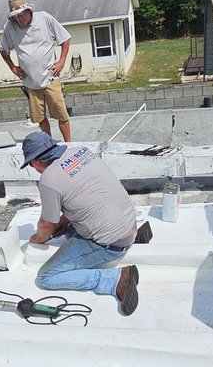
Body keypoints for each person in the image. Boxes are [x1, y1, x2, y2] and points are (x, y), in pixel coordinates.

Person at [20, 131, 140, 315]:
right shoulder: (81, 152)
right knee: (68, 227)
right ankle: (133, 236)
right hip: (130, 222)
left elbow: (46, 226)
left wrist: (36, 240)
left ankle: (115, 279)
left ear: (35, 162)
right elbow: (86, 195)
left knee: (46, 277)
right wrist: (64, 220)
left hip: (111, 244)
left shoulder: (48, 179)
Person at [0, 0, 73, 142]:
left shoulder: (45, 18)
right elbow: (3, 49)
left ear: (29, 11)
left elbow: (65, 39)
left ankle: (69, 144)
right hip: (30, 83)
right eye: (16, 17)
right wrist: (13, 68)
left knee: (62, 115)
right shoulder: (10, 27)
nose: (20, 19)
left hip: (51, 78)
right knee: (40, 118)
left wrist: (61, 61)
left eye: (22, 15)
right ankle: (49, 144)